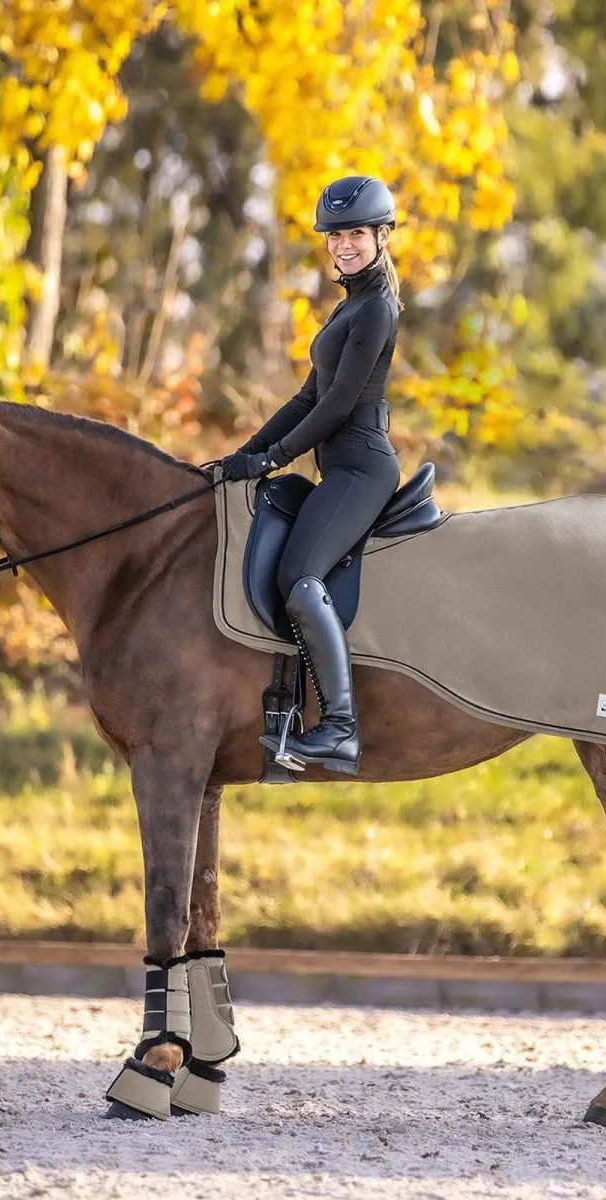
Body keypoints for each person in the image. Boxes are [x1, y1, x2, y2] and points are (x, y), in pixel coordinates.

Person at [219, 175, 403, 776]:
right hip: (338, 463)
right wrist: (243, 455)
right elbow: (306, 399)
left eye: (355, 234)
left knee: (300, 577)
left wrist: (273, 460)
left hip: (361, 467)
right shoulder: (348, 305)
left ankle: (341, 730)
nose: (344, 245)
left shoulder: (376, 308)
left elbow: (338, 407)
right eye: (335, 236)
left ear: (380, 236)